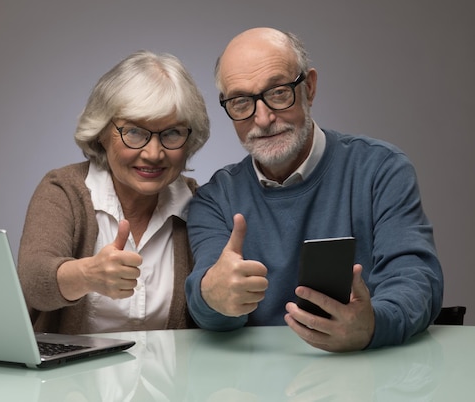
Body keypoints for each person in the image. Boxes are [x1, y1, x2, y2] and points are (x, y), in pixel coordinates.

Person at [185, 27, 443, 352]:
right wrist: (214, 295)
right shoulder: (213, 200)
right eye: (240, 102)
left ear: (309, 87)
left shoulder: (381, 169)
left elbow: (416, 278)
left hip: (365, 378)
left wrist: (373, 324)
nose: (262, 118)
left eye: (278, 92)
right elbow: (204, 297)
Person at [18, 50, 210, 334]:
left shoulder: (202, 205)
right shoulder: (64, 190)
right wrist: (87, 275)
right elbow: (33, 282)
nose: (153, 153)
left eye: (171, 134)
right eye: (134, 132)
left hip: (173, 381)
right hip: (72, 379)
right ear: (102, 132)